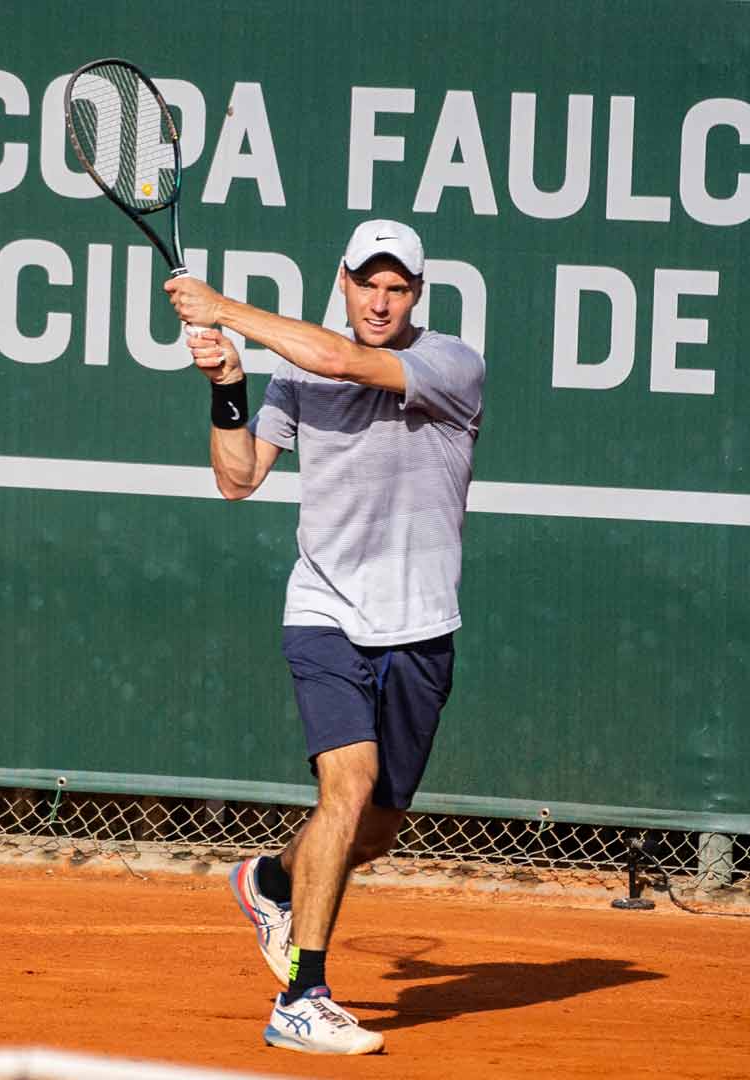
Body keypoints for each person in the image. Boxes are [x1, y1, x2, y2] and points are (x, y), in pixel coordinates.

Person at [163, 220, 485, 1056]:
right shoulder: (293, 372)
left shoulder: (451, 366)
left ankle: (270, 879)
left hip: (419, 623)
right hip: (325, 610)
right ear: (341, 283)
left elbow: (340, 361)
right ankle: (303, 997)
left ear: (418, 294)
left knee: (372, 831)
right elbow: (237, 478)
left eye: (397, 287)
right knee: (348, 787)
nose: (380, 301)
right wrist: (228, 385)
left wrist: (224, 308)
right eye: (367, 284)